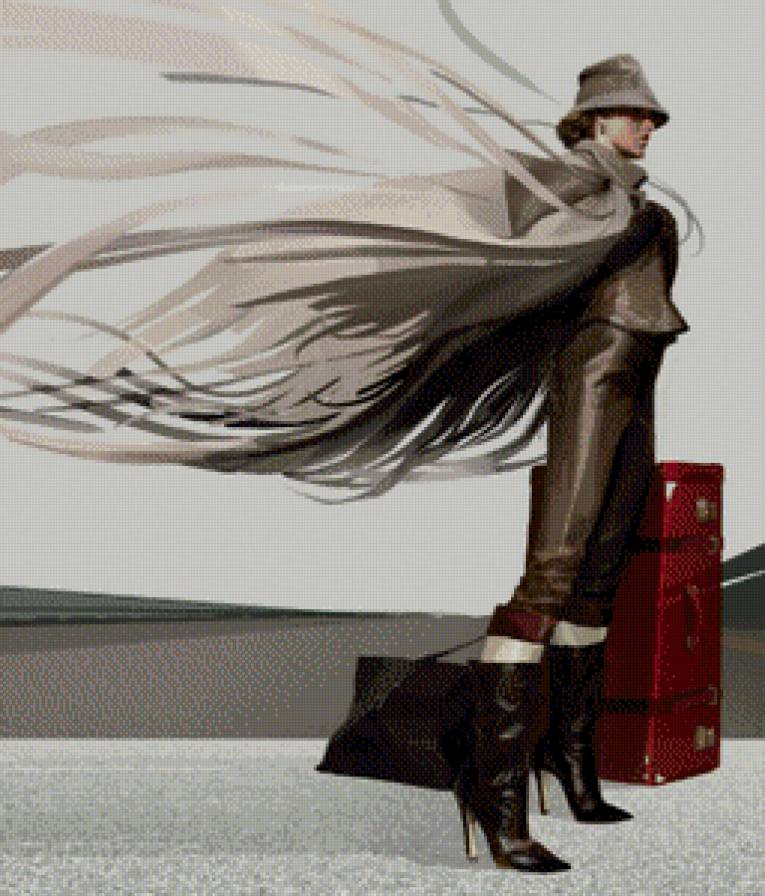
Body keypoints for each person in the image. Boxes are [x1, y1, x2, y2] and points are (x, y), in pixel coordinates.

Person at [454, 54, 689, 872]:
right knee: (551, 575)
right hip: (592, 380)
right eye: (631, 113)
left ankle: (569, 761)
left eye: (650, 116)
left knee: (598, 575)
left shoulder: (641, 206)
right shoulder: (568, 190)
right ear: (591, 119)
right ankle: (495, 797)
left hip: (637, 384)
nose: (646, 125)